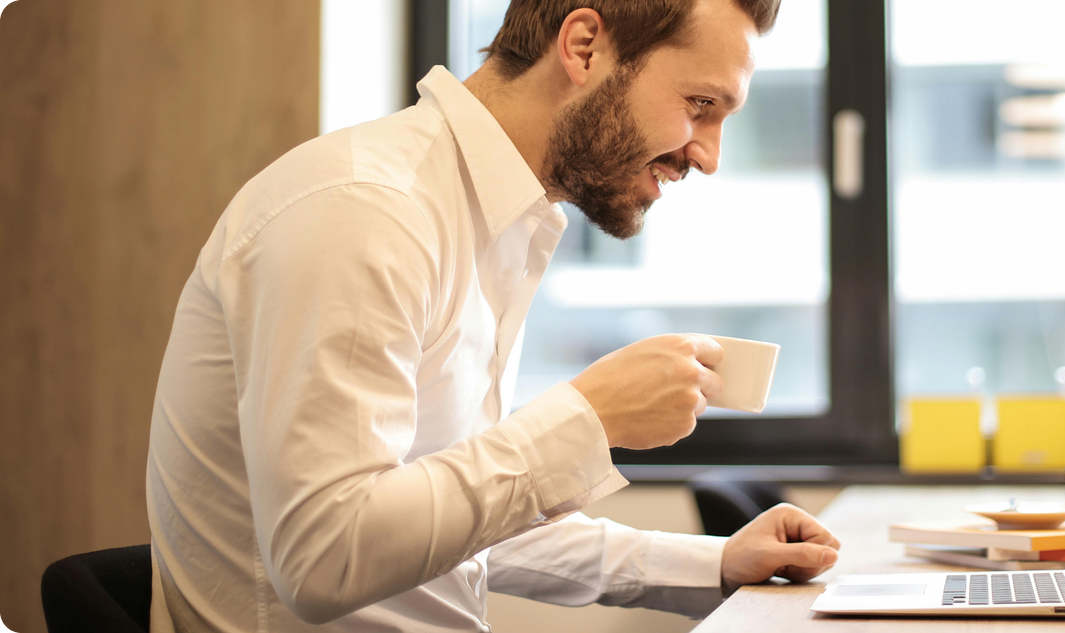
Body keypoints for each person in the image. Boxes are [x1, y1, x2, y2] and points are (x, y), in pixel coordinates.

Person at [143, 0, 842, 631]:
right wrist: (587, 417)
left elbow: (454, 525)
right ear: (584, 46)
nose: (709, 154)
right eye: (699, 104)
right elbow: (325, 557)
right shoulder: (365, 210)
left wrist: (714, 563)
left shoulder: (499, 221)